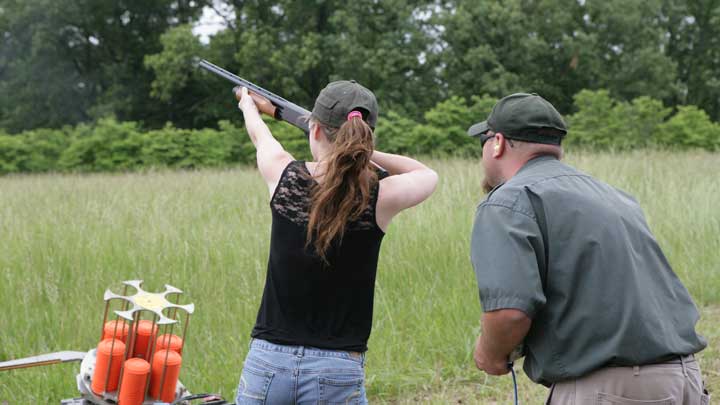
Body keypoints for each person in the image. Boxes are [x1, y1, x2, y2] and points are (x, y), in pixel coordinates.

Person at [467, 93, 709, 404]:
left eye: (482, 142)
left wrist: (489, 353)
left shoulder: (508, 200)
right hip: (684, 379)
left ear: (497, 142)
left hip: (610, 389)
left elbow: (509, 314)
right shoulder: (614, 195)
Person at [233, 81, 438, 404]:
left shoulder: (283, 176)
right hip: (337, 367)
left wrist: (248, 105)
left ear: (314, 129)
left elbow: (262, 137)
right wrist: (362, 152)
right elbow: (427, 174)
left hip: (268, 363)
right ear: (365, 138)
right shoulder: (381, 196)